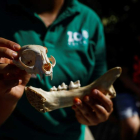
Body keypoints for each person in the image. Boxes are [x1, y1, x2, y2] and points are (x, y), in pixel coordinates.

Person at [0, 0, 113, 140]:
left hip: (73, 134)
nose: (46, 68)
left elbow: (101, 87)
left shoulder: (90, 21)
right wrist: (5, 101)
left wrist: (95, 111)